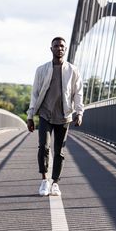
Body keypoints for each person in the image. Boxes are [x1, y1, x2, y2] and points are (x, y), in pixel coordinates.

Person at [27, 37, 84, 196]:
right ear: (51, 49)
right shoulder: (42, 70)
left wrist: (79, 112)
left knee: (59, 151)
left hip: (64, 116)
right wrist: (30, 116)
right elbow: (35, 93)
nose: (59, 48)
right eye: (56, 46)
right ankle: (45, 181)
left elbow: (78, 93)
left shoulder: (73, 70)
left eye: (62, 46)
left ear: (65, 50)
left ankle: (55, 183)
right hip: (45, 114)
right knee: (43, 147)